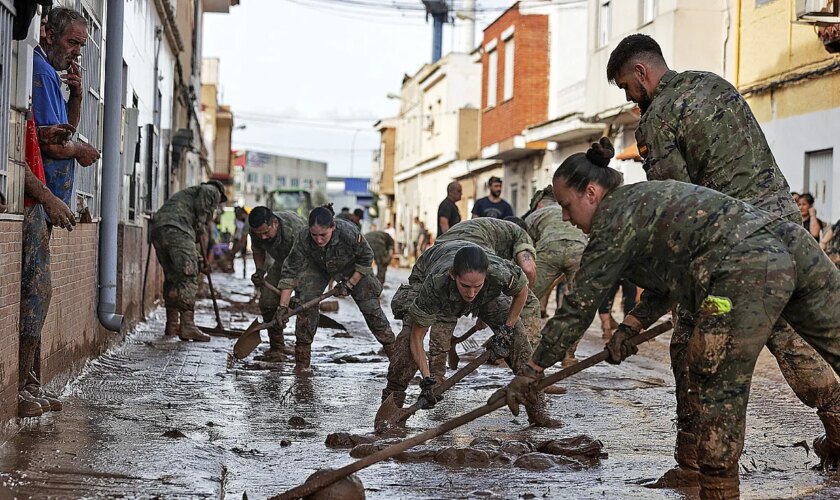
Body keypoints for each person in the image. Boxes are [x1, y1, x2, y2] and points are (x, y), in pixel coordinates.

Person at [501, 140, 840, 498]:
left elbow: (579, 305)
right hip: (791, 243)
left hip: (745, 269)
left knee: (713, 380)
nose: (566, 218)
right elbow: (670, 279)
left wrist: (532, 371)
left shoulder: (613, 219)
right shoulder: (645, 202)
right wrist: (632, 325)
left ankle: (716, 489)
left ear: (591, 192)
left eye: (567, 207)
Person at [608, 33, 840, 483]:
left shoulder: (657, 120)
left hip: (734, 251)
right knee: (790, 338)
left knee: (690, 349)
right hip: (787, 232)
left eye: (626, 87)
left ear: (641, 73)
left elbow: (675, 215)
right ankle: (838, 423)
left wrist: (640, 314)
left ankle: (693, 465)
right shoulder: (714, 84)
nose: (629, 98)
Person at [385, 242, 556, 427]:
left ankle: (538, 411)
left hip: (489, 292)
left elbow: (521, 291)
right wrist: (427, 379)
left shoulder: (499, 272)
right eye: (465, 286)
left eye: (477, 286)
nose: (471, 293)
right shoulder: (435, 284)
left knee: (518, 339)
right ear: (453, 275)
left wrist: (507, 329)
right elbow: (417, 338)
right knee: (406, 344)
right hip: (431, 271)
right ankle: (392, 404)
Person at [275, 207, 396, 372]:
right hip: (319, 267)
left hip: (353, 268)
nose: (318, 240)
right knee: (306, 302)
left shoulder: (348, 232)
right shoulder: (303, 238)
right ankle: (302, 366)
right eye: (314, 235)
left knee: (372, 311)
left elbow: (366, 257)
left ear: (332, 227)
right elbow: (290, 271)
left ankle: (397, 362)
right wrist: (283, 306)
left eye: (323, 235)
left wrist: (350, 284)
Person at [151, 181, 227, 342]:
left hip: (159, 230)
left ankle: (172, 324)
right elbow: (197, 227)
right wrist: (201, 222)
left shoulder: (188, 197)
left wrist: (199, 258)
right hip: (177, 230)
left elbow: (190, 244)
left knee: (172, 277)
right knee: (188, 276)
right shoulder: (211, 190)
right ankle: (187, 326)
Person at [523, 186, 587, 365]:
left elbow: (525, 250)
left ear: (538, 204)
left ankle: (529, 353)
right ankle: (569, 354)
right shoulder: (572, 210)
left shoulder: (535, 215)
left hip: (548, 250)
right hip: (580, 251)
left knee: (527, 300)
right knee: (580, 305)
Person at [245, 206, 306, 362]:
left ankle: (303, 353)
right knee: (267, 301)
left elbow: (292, 272)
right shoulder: (256, 230)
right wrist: (259, 270)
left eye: (266, 232)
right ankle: (277, 347)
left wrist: (284, 305)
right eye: (259, 234)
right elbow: (258, 250)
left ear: (275, 223)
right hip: (283, 262)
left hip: (307, 263)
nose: (263, 237)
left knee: (303, 305)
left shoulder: (295, 231)